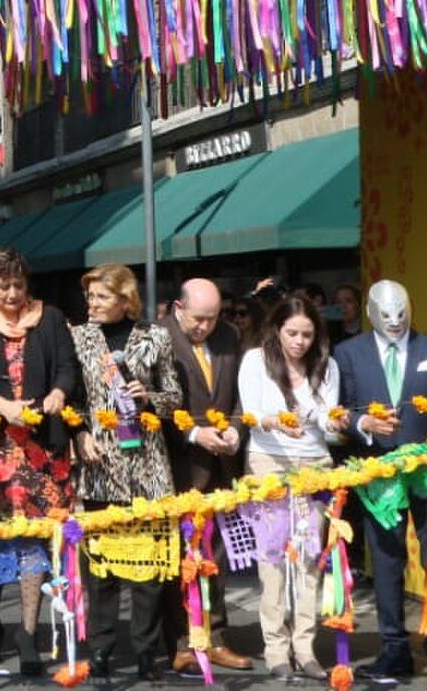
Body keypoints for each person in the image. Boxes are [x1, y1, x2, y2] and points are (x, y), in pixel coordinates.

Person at [333, 281, 427, 691]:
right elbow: (340, 410)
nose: (394, 322)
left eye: (400, 314)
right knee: (385, 563)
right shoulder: (347, 354)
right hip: (379, 474)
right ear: (371, 313)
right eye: (385, 315)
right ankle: (394, 648)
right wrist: (363, 424)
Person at [0, 247, 78, 675]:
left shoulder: (50, 317)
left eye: (18, 285)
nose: (12, 294)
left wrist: (59, 391)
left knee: (33, 539)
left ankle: (27, 630)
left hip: (42, 450)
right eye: (3, 286)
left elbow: (67, 367)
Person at [68, 264, 183, 682]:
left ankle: (146, 650)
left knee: (148, 565)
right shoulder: (79, 338)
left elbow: (175, 397)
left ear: (125, 299)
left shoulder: (156, 337)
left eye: (101, 296)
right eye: (90, 297)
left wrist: (148, 397)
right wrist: (79, 434)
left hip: (147, 465)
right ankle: (100, 649)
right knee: (101, 566)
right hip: (101, 463)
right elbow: (73, 398)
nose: (92, 304)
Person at [238, 294, 342, 681]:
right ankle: (276, 647)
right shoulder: (254, 361)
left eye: (307, 335)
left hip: (314, 463)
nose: (299, 342)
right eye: (292, 333)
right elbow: (250, 413)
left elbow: (329, 423)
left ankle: (305, 645)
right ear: (277, 330)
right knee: (273, 561)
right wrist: (274, 422)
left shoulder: (326, 366)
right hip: (269, 461)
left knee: (310, 558)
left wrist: (337, 420)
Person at [160, 278, 255, 673]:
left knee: (215, 557)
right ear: (179, 308)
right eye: (199, 319)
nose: (206, 327)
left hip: (221, 465)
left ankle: (215, 636)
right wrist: (194, 433)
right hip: (179, 463)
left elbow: (239, 394)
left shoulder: (230, 336)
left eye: (213, 319)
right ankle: (180, 641)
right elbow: (153, 401)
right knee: (179, 558)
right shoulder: (158, 338)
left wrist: (235, 429)